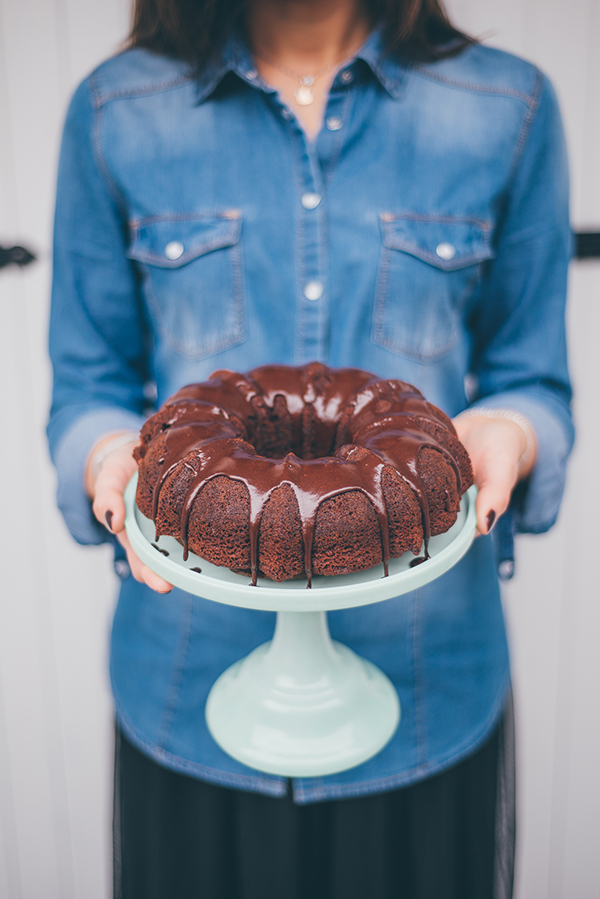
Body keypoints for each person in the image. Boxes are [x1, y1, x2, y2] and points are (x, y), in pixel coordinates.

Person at [48, 0, 573, 896]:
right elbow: (89, 387)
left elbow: (533, 376)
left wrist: (513, 433)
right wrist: (105, 457)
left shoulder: (506, 105)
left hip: (427, 692)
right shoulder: (115, 110)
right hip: (186, 692)